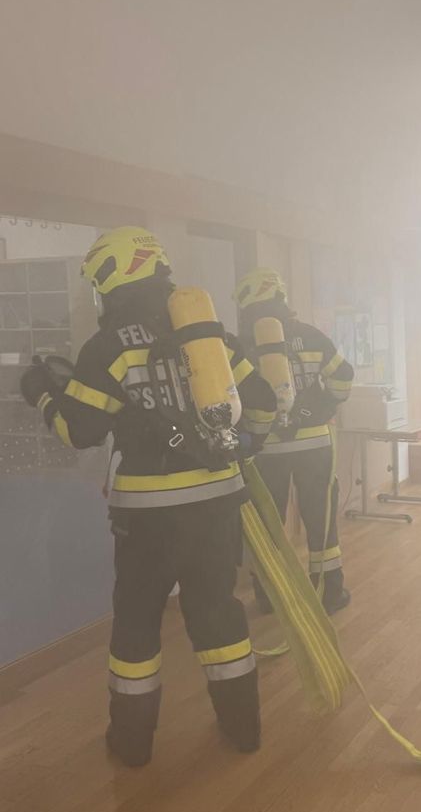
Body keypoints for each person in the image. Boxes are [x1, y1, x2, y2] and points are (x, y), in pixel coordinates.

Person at [19, 227, 277, 767]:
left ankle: (132, 745)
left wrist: (42, 393)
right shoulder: (210, 336)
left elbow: (79, 432)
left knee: (137, 623)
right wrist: (244, 443)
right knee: (218, 614)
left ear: (110, 280)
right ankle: (244, 729)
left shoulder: (107, 346)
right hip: (216, 504)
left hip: (146, 515)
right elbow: (262, 404)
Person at [233, 268, 354, 614]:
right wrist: (319, 408)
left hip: (265, 450)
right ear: (281, 297)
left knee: (270, 525)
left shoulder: (242, 346)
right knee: (321, 521)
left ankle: (269, 597)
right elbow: (343, 379)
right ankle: (330, 594)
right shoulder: (312, 336)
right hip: (315, 445)